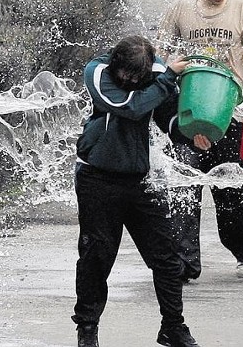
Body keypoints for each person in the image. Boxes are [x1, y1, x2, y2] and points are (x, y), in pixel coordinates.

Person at [71, 36, 200, 347]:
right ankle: (87, 329)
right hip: (97, 179)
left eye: (135, 78)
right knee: (96, 257)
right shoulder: (98, 71)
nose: (129, 81)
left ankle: (173, 327)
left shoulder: (156, 74)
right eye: (125, 76)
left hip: (140, 180)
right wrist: (166, 79)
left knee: (168, 259)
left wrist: (192, 132)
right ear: (115, 64)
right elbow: (128, 107)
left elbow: (167, 118)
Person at [157, 0, 243, 279]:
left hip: (232, 112)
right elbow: (162, 53)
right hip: (190, 108)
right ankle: (184, 264)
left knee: (231, 186)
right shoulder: (181, 8)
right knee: (184, 186)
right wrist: (166, 72)